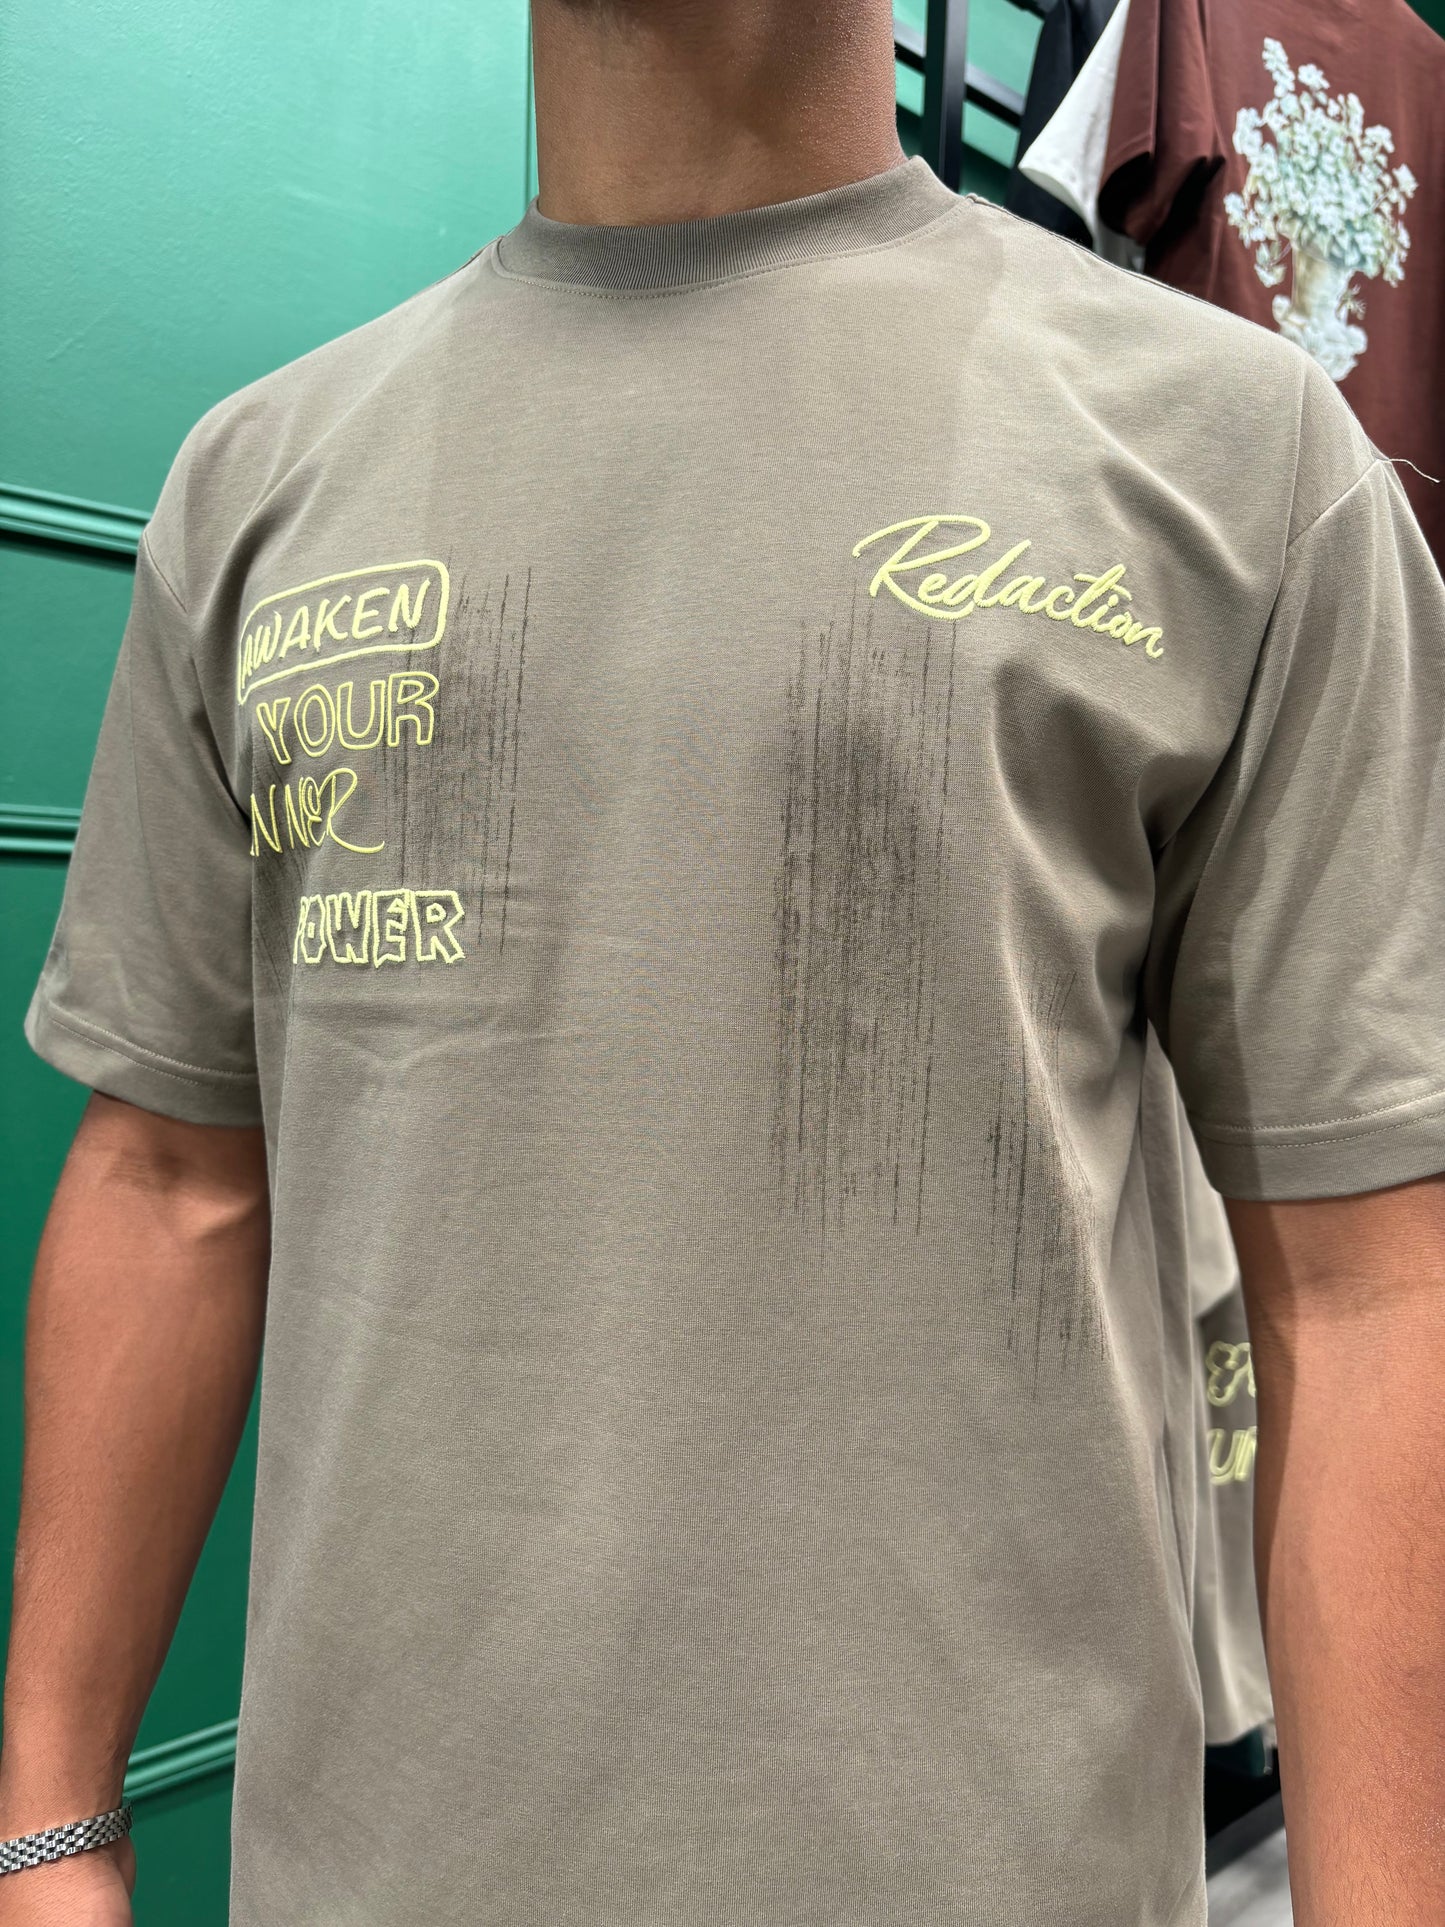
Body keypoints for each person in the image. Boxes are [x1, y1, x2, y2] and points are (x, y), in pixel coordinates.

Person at [2, 0, 1443, 1921]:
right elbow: (167, 1176)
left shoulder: (1240, 463)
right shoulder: (256, 485)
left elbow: (1366, 1289)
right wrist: (48, 1822)